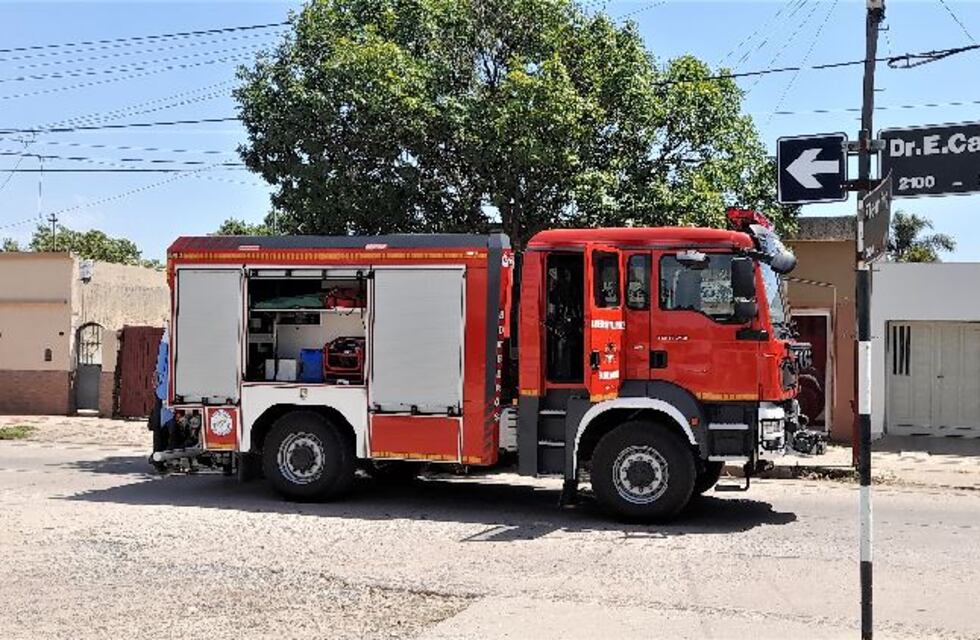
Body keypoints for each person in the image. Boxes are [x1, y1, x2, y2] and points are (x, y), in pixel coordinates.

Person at [148, 328, 174, 472]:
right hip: (168, 389)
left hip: (166, 390)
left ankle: (160, 458)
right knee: (166, 426)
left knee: (160, 427)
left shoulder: (169, 331)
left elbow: (161, 363)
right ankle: (165, 457)